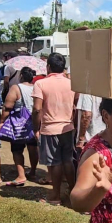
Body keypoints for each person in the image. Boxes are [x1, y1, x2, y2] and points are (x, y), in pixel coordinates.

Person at [32, 52, 76, 205]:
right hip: (68, 127)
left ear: (48, 66)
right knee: (68, 161)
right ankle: (73, 192)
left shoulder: (40, 84)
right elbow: (75, 105)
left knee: (55, 163)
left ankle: (56, 196)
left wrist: (35, 127)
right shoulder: (72, 83)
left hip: (50, 129)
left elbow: (37, 109)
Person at [0, 67, 38, 186]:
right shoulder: (36, 88)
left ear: (21, 76)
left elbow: (8, 106)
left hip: (18, 123)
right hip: (33, 121)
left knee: (17, 149)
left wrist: (2, 121)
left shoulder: (16, 88)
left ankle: (21, 175)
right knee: (33, 147)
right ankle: (32, 171)